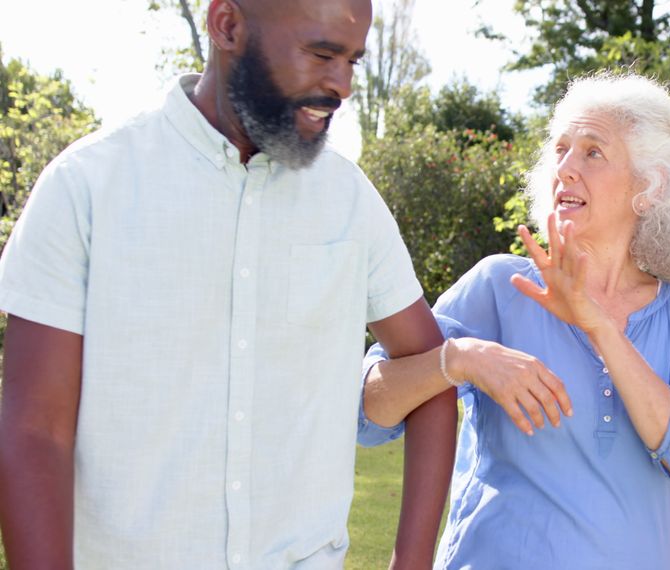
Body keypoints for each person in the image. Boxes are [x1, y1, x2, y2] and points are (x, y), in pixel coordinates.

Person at [0, 0, 456, 568]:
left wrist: (410, 561)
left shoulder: (352, 202)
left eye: (353, 62)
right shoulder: (86, 186)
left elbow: (432, 376)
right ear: (227, 25)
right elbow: (35, 431)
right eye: (321, 54)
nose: (342, 85)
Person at [358, 72, 670, 569]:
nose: (565, 168)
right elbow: (367, 414)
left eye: (592, 152)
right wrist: (461, 359)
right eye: (560, 150)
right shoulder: (499, 287)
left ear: (650, 185)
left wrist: (598, 324)